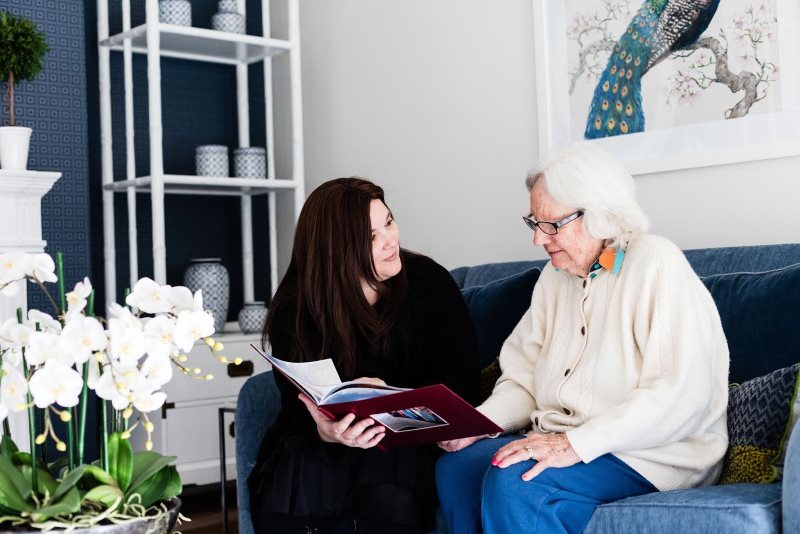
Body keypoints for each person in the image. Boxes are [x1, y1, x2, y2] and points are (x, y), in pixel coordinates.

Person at [435, 144, 729, 534]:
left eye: (552, 224)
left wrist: (576, 444)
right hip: (570, 438)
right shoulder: (553, 279)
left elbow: (679, 394)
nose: (539, 240)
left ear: (600, 214)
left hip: (650, 452)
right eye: (534, 223)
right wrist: (482, 423)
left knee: (519, 480)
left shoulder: (656, 263)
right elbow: (523, 379)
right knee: (458, 468)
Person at [248, 177, 480, 534]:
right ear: (337, 251)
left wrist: (392, 397)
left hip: (407, 439)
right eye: (371, 237)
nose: (391, 241)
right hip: (325, 440)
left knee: (385, 485)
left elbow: (462, 379)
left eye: (388, 222)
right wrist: (325, 430)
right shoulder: (297, 309)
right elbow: (296, 402)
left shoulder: (428, 282)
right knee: (298, 485)